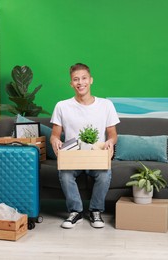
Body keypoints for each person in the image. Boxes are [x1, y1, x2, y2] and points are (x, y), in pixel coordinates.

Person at [50, 63, 120, 229]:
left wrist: (110, 142)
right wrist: (55, 141)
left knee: (104, 175)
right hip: (72, 156)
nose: (80, 82)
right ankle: (76, 212)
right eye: (76, 80)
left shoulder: (106, 105)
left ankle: (95, 211)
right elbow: (54, 135)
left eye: (83, 78)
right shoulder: (62, 106)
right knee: (65, 175)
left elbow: (113, 134)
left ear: (91, 80)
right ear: (71, 84)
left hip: (96, 156)